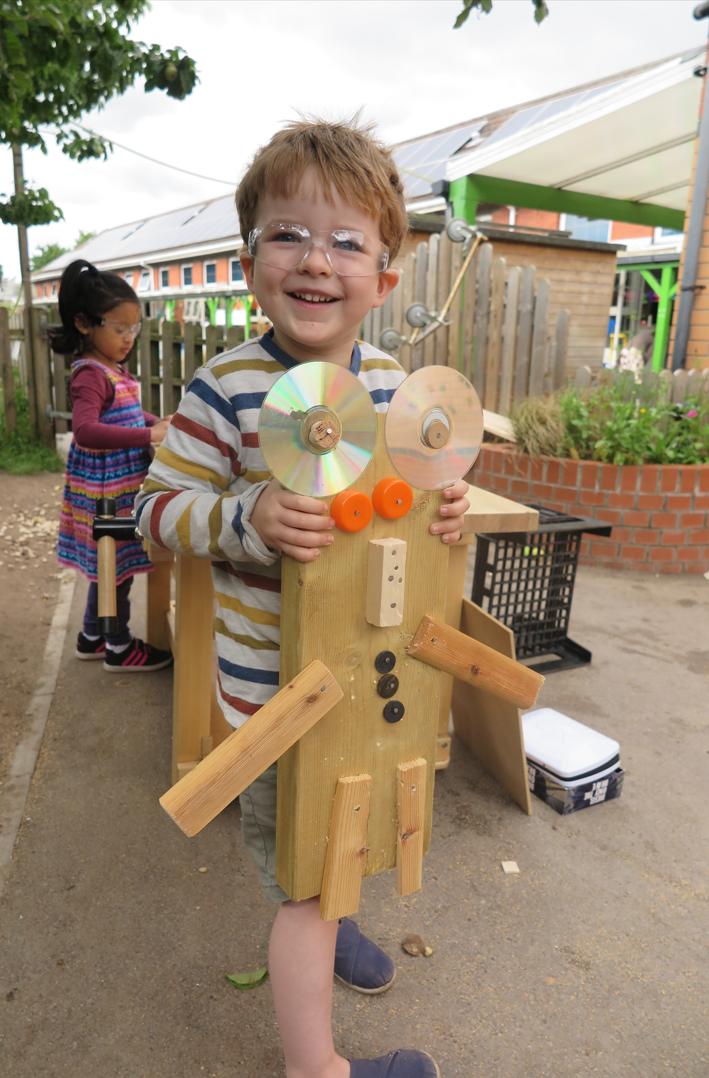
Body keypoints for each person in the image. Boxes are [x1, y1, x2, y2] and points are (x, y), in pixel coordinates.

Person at [135, 118, 470, 1078]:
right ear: (248, 263)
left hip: (370, 672)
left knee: (350, 825)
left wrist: (441, 507)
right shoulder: (224, 388)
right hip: (277, 701)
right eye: (288, 235)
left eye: (346, 242)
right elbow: (153, 515)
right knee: (305, 885)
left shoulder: (395, 389)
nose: (315, 260)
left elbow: (411, 503)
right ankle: (314, 1063)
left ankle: (337, 926)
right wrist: (249, 519)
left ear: (385, 278)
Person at [53, 259, 173, 672]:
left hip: (116, 487)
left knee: (107, 565)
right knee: (115, 569)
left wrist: (157, 423)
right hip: (105, 494)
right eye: (119, 329)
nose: (128, 338)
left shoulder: (112, 370)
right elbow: (86, 431)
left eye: (133, 329)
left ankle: (91, 636)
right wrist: (147, 436)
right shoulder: (89, 375)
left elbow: (127, 415)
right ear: (84, 324)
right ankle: (118, 646)